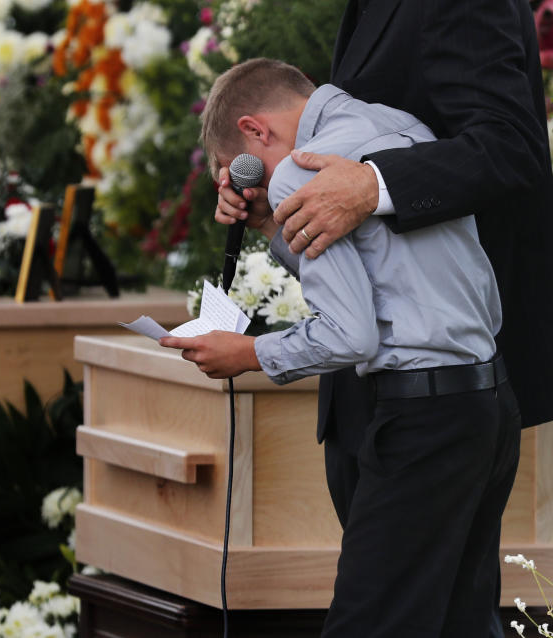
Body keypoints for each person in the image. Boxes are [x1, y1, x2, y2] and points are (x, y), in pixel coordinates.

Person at [214, 3, 553, 635]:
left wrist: (372, 186)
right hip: (413, 398)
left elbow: (512, 145)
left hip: (433, 400)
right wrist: (277, 219)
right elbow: (356, 237)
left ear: (253, 132)